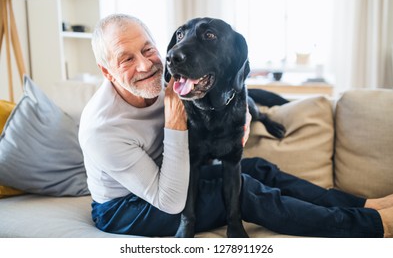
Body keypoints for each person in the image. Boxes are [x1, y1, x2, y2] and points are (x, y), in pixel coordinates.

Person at [79, 13, 393, 238]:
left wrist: (241, 113)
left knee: (257, 169)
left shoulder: (171, 79)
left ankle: (363, 202)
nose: (145, 65)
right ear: (107, 72)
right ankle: (371, 224)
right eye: (126, 59)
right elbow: (170, 201)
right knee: (247, 193)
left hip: (171, 176)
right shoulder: (102, 129)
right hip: (129, 208)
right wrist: (175, 123)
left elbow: (226, 89)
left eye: (148, 50)